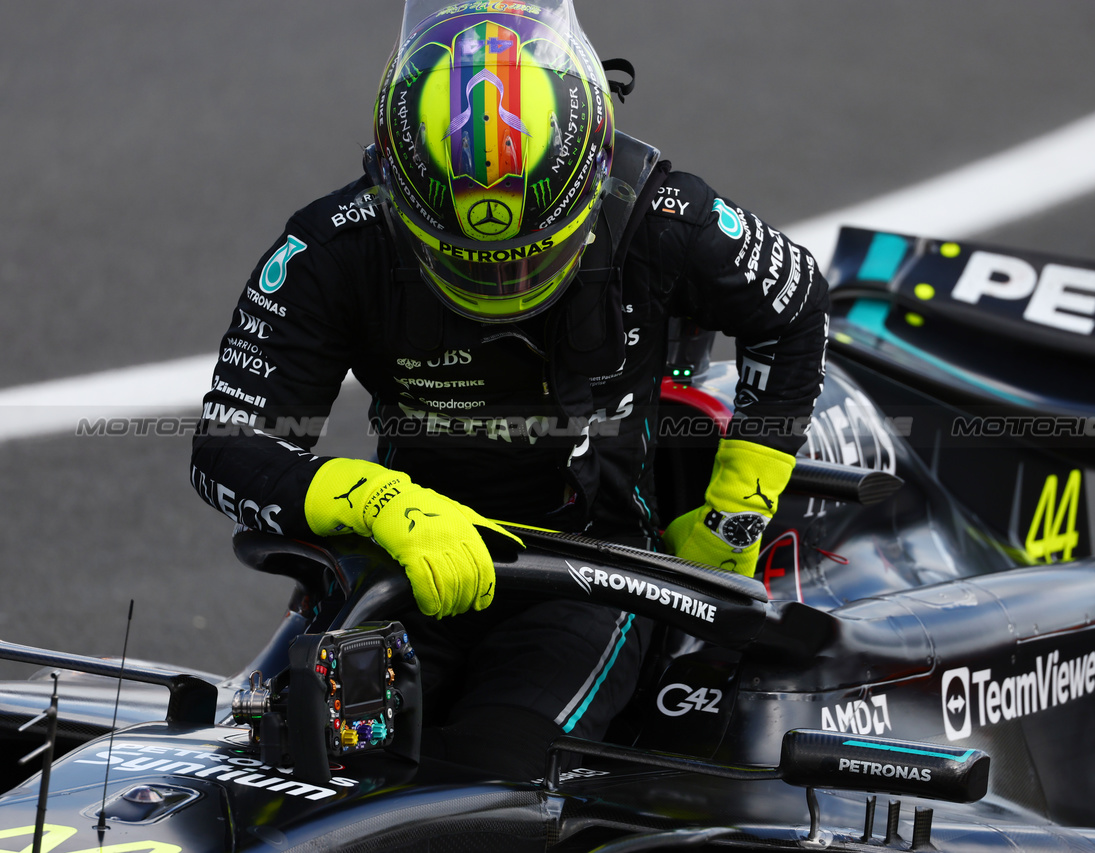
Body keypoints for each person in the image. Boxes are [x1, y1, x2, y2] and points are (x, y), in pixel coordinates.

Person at [191, 0, 829, 780]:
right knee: (300, 766)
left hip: (598, 575)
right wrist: (375, 501)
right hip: (407, 561)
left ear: (592, 173)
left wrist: (737, 510)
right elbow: (227, 442)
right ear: (395, 190)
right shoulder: (334, 248)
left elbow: (795, 307)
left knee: (492, 776)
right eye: (469, 256)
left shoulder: (664, 218)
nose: (505, 278)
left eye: (532, 251)